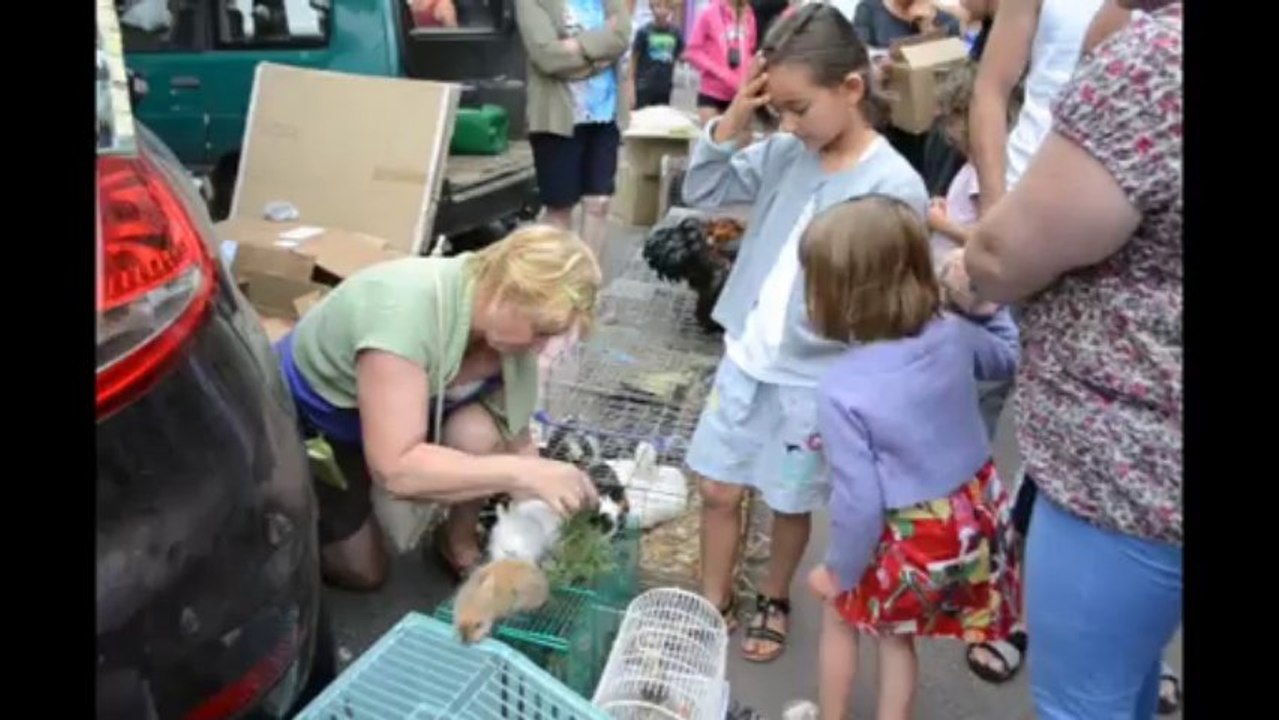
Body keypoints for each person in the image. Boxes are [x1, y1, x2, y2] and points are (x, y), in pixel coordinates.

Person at [951, 3, 1182, 717]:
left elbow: (1002, 256)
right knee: (1123, 679)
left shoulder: (1158, 61)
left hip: (1130, 475)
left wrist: (969, 269)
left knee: (1081, 702)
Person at [681, 3, 927, 663]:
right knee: (716, 485)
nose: (787, 123)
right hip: (745, 354)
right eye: (777, 108)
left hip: (812, 372)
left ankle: (773, 594)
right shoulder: (788, 151)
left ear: (850, 88)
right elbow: (703, 190)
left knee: (788, 496)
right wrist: (732, 119)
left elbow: (889, 309)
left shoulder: (892, 185)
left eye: (797, 107)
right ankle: (712, 599)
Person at [274, 226, 604, 591]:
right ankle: (289, 507)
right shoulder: (404, 312)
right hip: (317, 422)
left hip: (403, 407)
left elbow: (515, 433)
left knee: (480, 434)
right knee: (364, 572)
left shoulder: (505, 330)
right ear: (506, 292)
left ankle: (456, 543)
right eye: (541, 331)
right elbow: (396, 471)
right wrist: (521, 474)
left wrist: (548, 507)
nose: (542, 348)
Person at [801, 196, 1021, 720]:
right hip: (971, 522)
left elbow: (859, 503)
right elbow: (1008, 358)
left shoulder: (842, 389)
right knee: (897, 639)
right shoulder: (952, 333)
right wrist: (984, 305)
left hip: (905, 534)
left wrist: (839, 571)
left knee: (842, 614)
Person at [960, 0, 1104, 685]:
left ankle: (1124, 643)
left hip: (1140, 242)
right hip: (1033, 212)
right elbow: (993, 88)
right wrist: (994, 211)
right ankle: (1003, 603)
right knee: (1004, 421)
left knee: (1120, 449)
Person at [513, 0, 631, 261]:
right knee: (559, 209)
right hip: (557, 118)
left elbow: (622, 35)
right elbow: (547, 57)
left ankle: (587, 286)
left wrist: (575, 45)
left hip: (604, 114)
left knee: (599, 204)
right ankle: (554, 287)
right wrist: (600, 54)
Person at [851, 0, 962, 172]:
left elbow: (952, 68)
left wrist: (927, 27)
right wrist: (881, 66)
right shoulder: (870, 10)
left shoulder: (946, 21)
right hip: (888, 121)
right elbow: (858, 60)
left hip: (931, 126)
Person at [685, 0, 758, 124]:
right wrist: (721, 73)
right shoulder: (709, 12)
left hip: (739, 94)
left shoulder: (749, 15)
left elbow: (750, 50)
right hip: (712, 94)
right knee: (714, 141)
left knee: (742, 141)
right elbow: (693, 52)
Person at [629, 0, 684, 108]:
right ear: (651, 8)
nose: (662, 11)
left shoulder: (675, 33)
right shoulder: (643, 32)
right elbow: (633, 59)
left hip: (664, 87)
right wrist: (631, 87)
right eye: (658, 6)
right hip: (644, 86)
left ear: (671, 9)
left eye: (666, 7)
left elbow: (681, 54)